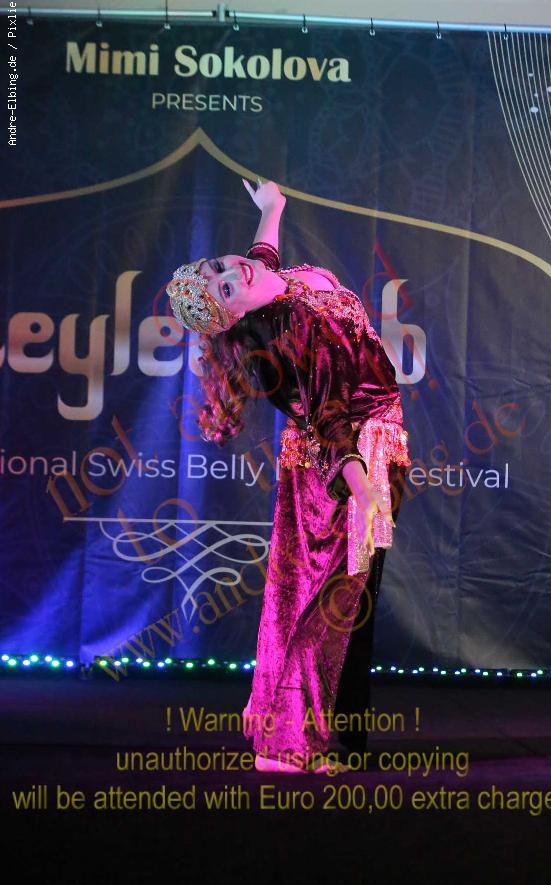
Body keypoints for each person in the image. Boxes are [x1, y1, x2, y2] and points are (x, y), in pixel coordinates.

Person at [166, 177, 411, 774]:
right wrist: (364, 489)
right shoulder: (292, 326)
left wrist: (273, 209)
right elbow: (331, 414)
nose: (236, 272)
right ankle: (297, 743)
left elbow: (262, 260)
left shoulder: (267, 282)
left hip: (354, 449)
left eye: (221, 267)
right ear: (234, 315)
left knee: (322, 595)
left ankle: (307, 733)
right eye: (226, 287)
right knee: (334, 600)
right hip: (349, 457)